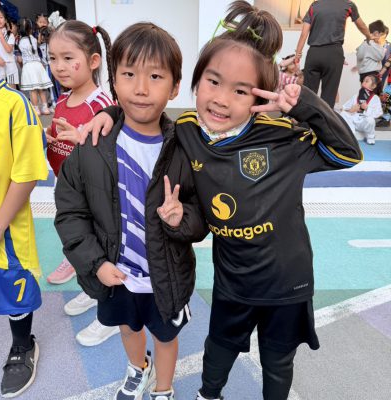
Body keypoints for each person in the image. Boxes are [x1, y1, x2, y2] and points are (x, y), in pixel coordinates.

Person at [87, 2, 363, 399]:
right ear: (196, 81)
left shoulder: (281, 137)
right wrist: (112, 115)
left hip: (287, 283)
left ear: (260, 96)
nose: (220, 99)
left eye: (240, 91)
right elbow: (146, 117)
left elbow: (347, 154)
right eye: (213, 82)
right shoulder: (187, 130)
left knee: (278, 361)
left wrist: (304, 104)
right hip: (232, 281)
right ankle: (208, 394)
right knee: (218, 350)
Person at [54, 22, 207, 400]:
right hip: (116, 274)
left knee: (166, 336)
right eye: (128, 74)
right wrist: (95, 263)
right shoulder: (93, 144)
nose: (140, 88)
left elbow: (202, 215)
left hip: (166, 277)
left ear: (174, 87)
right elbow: (71, 212)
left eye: (155, 76)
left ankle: (164, 388)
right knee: (127, 327)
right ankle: (139, 368)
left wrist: (182, 219)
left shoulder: (185, 149)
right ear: (114, 81)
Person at [45, 20, 119, 346]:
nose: (59, 66)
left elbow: (111, 156)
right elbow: (58, 144)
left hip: (95, 197)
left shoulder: (101, 106)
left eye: (67, 58)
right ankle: (92, 290)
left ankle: (111, 315)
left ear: (93, 61)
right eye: (52, 58)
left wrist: (81, 141)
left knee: (102, 249)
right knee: (83, 246)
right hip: (70, 192)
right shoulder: (63, 100)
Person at [0, 14, 48, 398]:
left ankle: (22, 344)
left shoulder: (13, 104)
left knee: (14, 289)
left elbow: (27, 174)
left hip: (4, 227)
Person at [295, 0, 371, 108]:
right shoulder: (348, 4)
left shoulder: (315, 5)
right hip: (334, 53)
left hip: (314, 53)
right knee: (329, 94)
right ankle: (324, 118)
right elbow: (361, 25)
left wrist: (298, 54)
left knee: (308, 93)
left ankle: (305, 118)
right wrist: (368, 36)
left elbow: (304, 34)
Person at [18, 17, 53, 116]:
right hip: (38, 65)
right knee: (41, 88)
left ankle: (36, 109)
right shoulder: (33, 39)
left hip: (29, 66)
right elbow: (37, 45)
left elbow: (20, 57)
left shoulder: (21, 41)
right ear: (30, 29)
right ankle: (45, 108)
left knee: (33, 90)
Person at [340, 75, 383, 145]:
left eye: (367, 81)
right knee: (343, 114)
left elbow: (379, 113)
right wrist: (351, 110)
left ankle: (370, 137)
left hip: (364, 122)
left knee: (371, 120)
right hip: (354, 120)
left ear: (373, 86)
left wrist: (367, 108)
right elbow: (343, 108)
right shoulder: (356, 95)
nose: (363, 82)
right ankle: (351, 134)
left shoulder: (375, 98)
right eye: (363, 81)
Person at [355, 20, 386, 93]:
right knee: (373, 97)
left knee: (366, 96)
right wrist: (381, 46)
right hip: (371, 76)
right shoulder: (371, 44)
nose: (383, 38)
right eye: (382, 35)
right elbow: (380, 56)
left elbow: (359, 55)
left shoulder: (364, 43)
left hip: (364, 75)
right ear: (376, 33)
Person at [0, 8, 19, 88]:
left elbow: (9, 49)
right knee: (0, 88)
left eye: (1, 17)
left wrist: (1, 37)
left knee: (12, 88)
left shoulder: (10, 34)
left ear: (5, 20)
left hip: (10, 64)